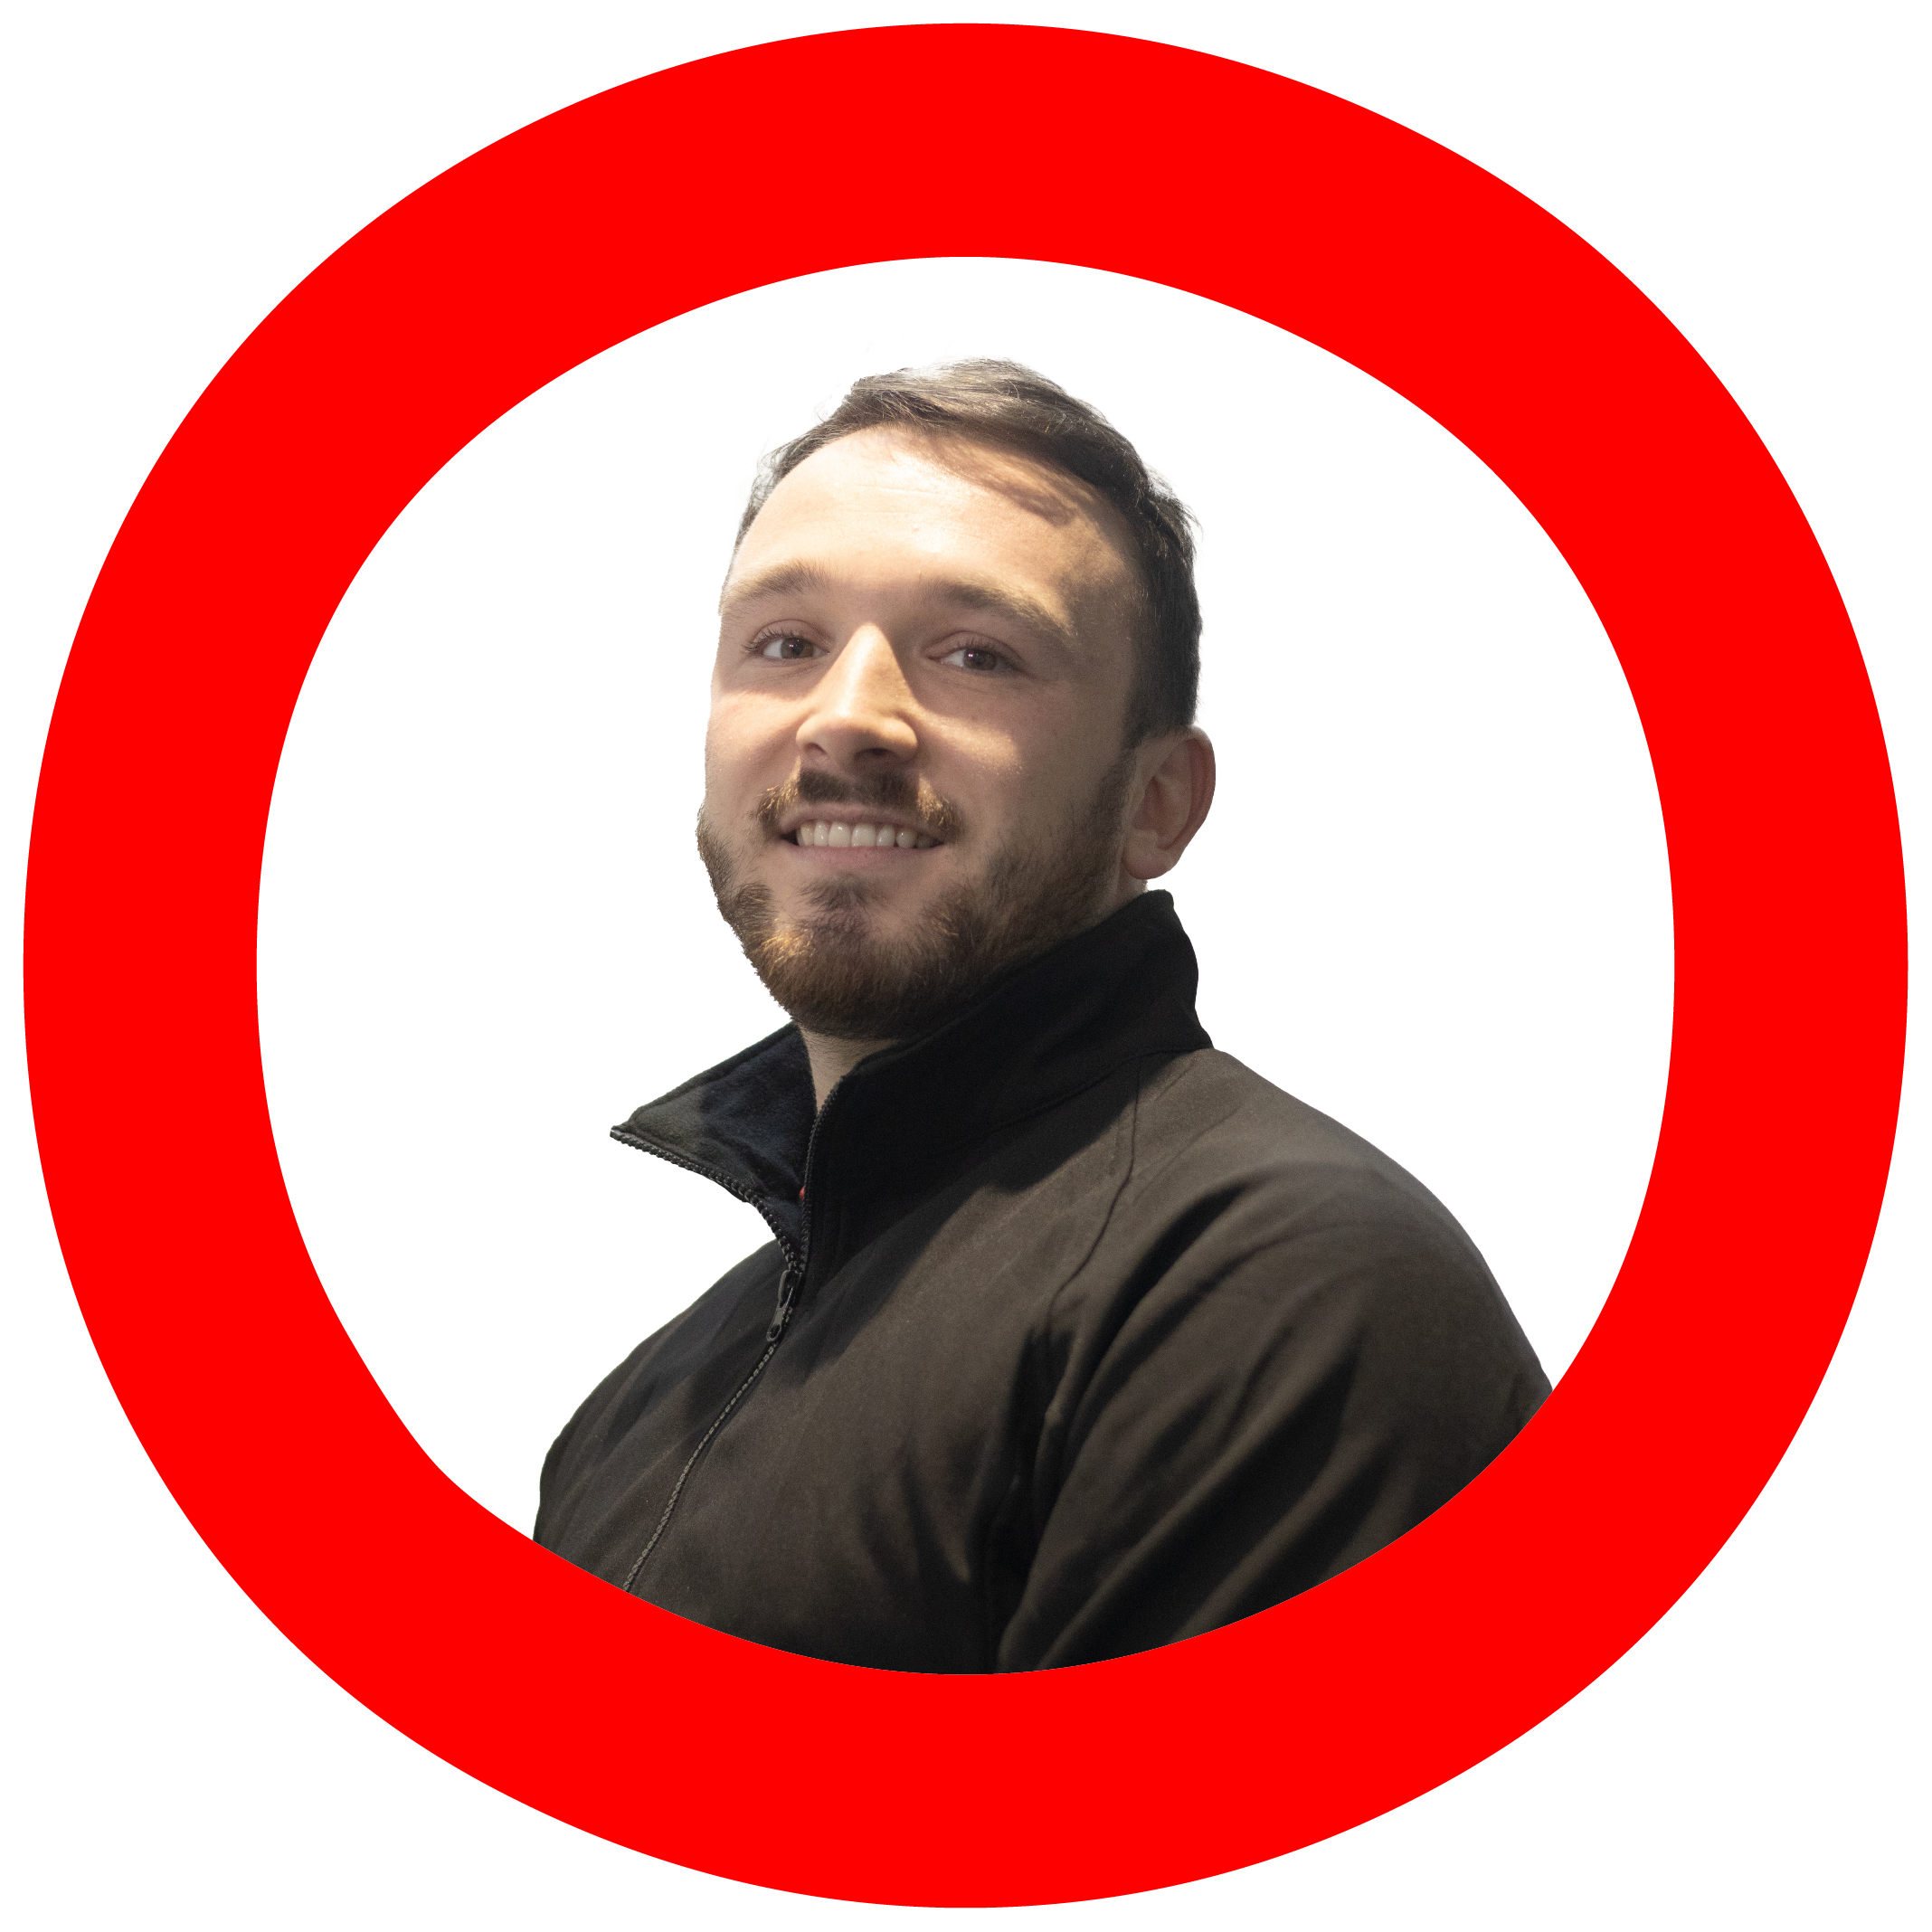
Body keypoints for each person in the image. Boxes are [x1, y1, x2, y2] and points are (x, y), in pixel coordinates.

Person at [534, 359, 1548, 1671]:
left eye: (977, 655)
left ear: (1156, 806)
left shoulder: (1281, 1285)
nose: (846, 719)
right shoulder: (642, 1407)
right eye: (785, 644)